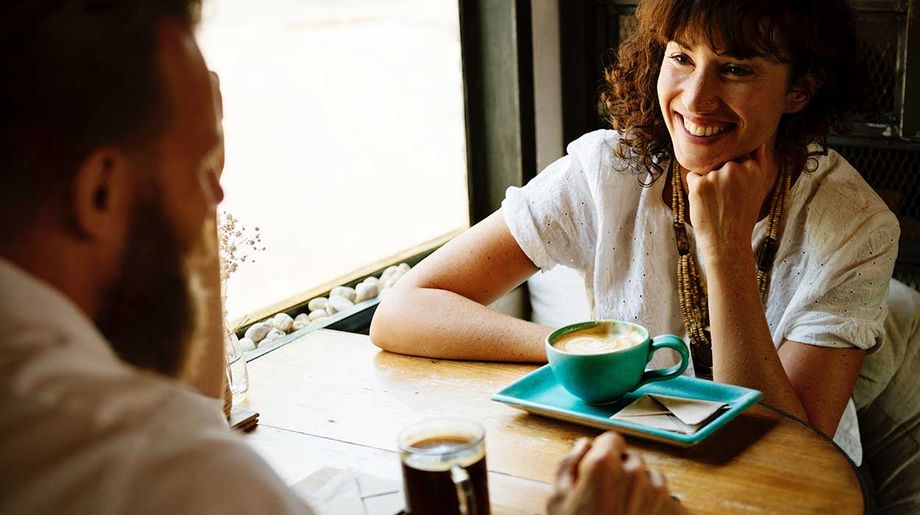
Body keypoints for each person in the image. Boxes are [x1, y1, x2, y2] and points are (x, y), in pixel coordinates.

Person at [0, 1, 679, 513]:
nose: (218, 199)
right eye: (202, 167)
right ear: (99, 192)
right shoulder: (163, 468)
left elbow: (191, 407)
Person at [371, 0, 898, 467]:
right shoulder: (609, 171)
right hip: (634, 459)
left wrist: (726, 250)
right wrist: (588, 358)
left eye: (735, 69)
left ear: (799, 90)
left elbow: (792, 451)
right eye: (682, 57)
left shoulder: (858, 226)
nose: (695, 99)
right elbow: (403, 311)